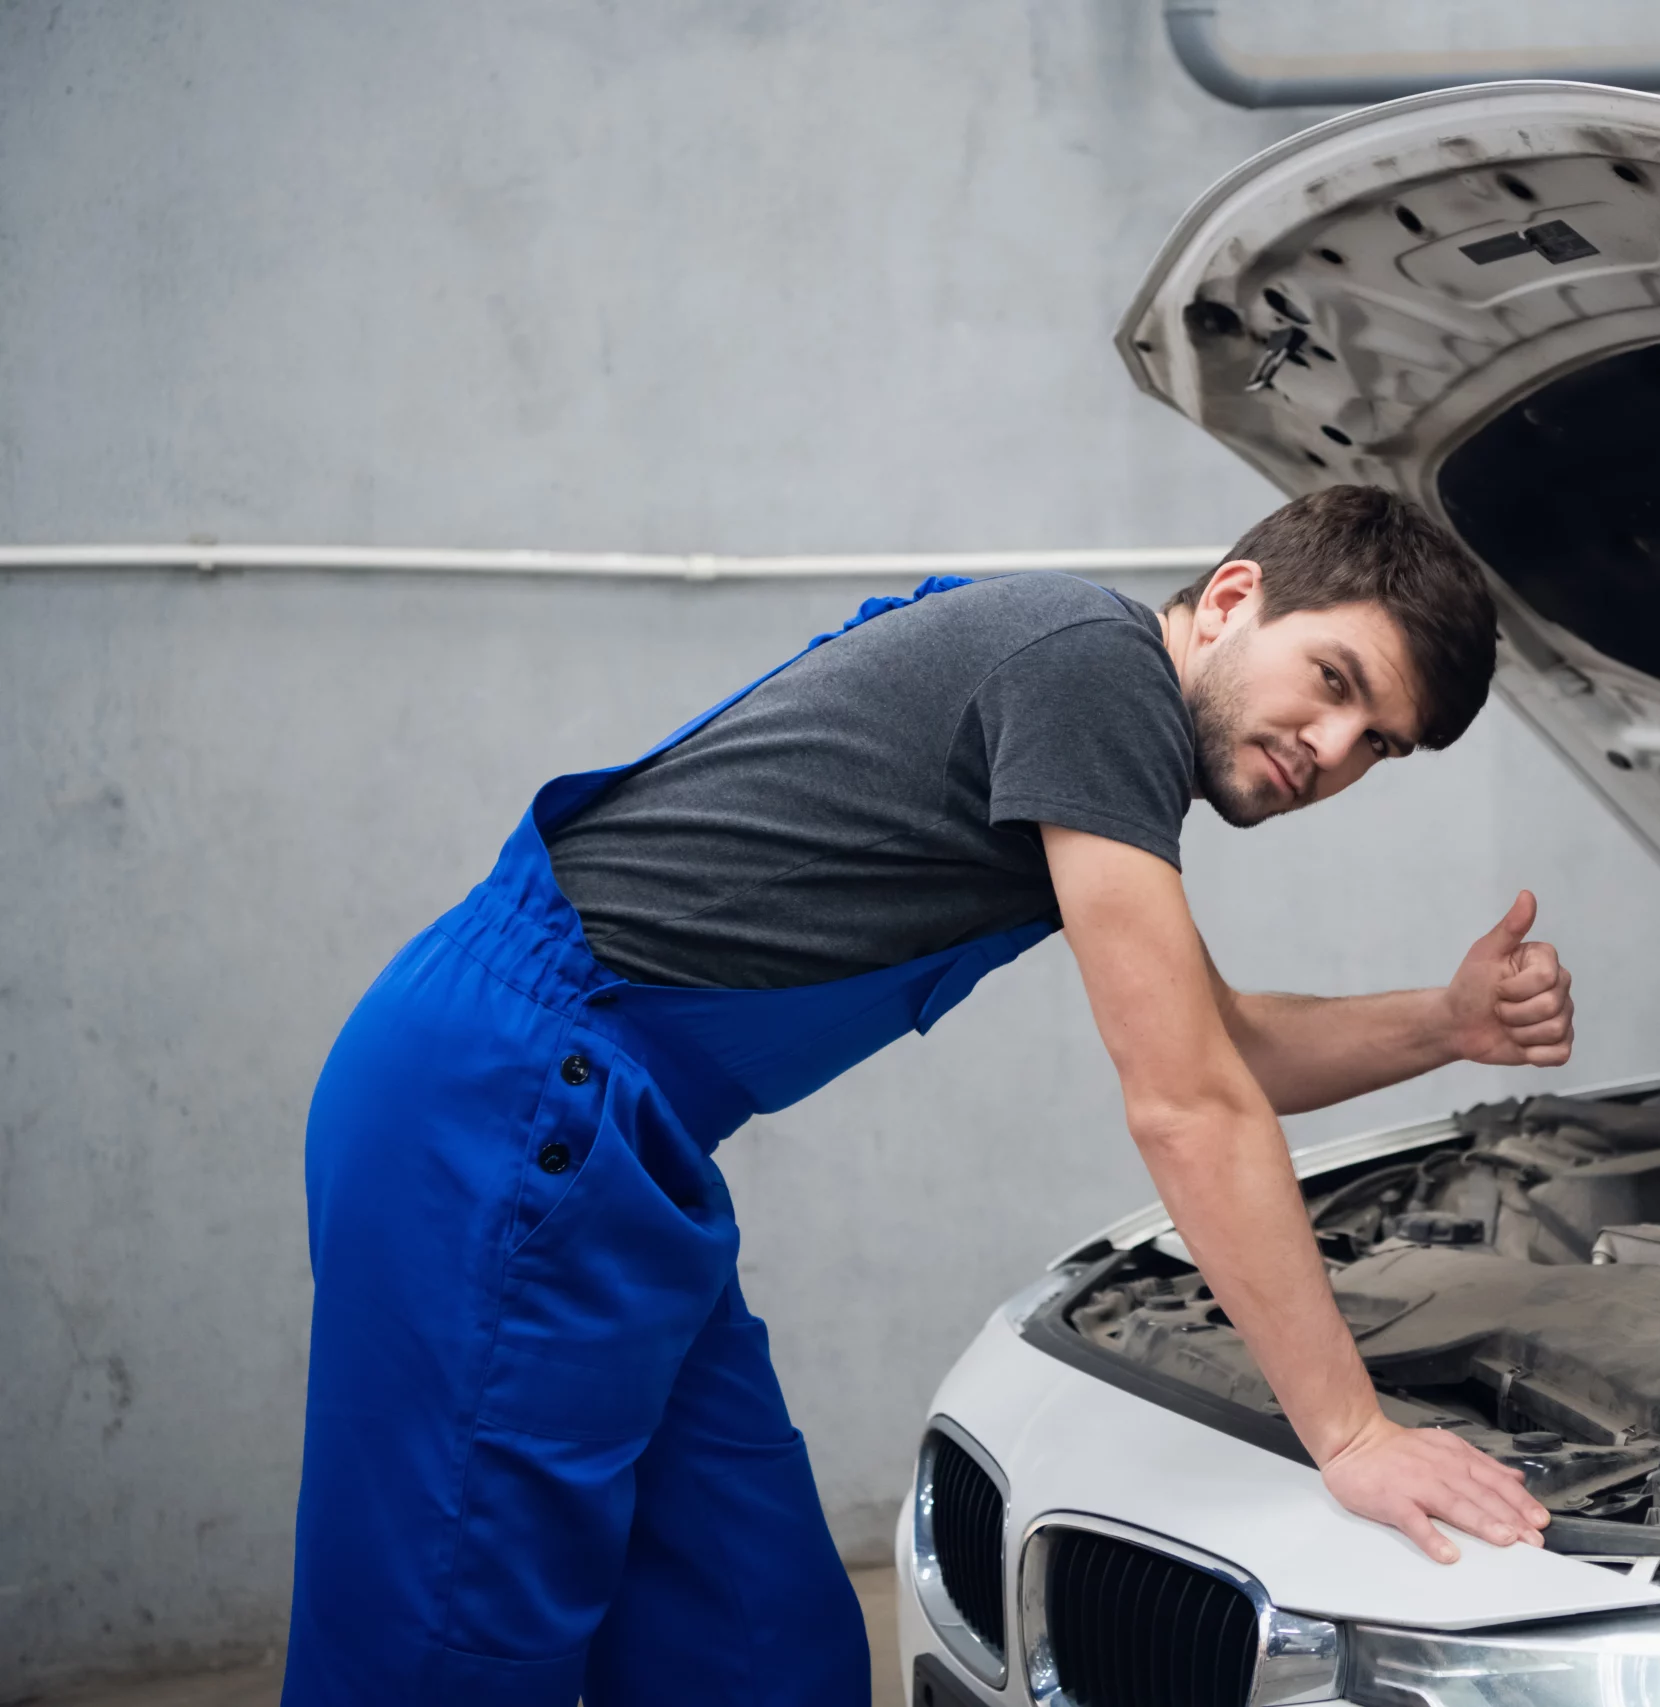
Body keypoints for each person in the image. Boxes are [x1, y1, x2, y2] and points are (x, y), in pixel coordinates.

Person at [284, 484, 1573, 1705]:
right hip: (506, 1098)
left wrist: (1448, 1024)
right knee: (448, 1637)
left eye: (1378, 744)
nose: (1333, 750)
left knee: (752, 1634)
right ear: (1234, 599)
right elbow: (1188, 1105)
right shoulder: (1095, 669)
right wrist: (1351, 1437)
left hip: (618, 1136)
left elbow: (1224, 1050)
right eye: (1335, 682)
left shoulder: (1086, 695)